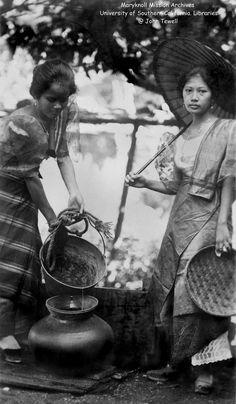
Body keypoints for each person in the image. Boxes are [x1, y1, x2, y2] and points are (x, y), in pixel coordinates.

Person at [125, 44, 236, 394]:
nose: (193, 96)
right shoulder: (177, 136)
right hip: (180, 218)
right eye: (189, 90)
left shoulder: (227, 129)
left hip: (209, 217)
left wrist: (222, 224)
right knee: (171, 287)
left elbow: (229, 178)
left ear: (213, 94)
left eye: (201, 90)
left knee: (200, 289)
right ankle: (178, 362)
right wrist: (143, 180)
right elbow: (175, 185)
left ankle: (207, 370)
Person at [0, 58, 84, 363]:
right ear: (37, 94)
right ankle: (4, 334)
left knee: (27, 254)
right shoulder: (25, 123)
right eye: (52, 100)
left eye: (64, 100)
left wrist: (75, 191)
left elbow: (62, 156)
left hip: (23, 189)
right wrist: (51, 217)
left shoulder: (62, 115)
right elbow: (32, 178)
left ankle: (17, 330)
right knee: (9, 257)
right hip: (5, 191)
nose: (59, 106)